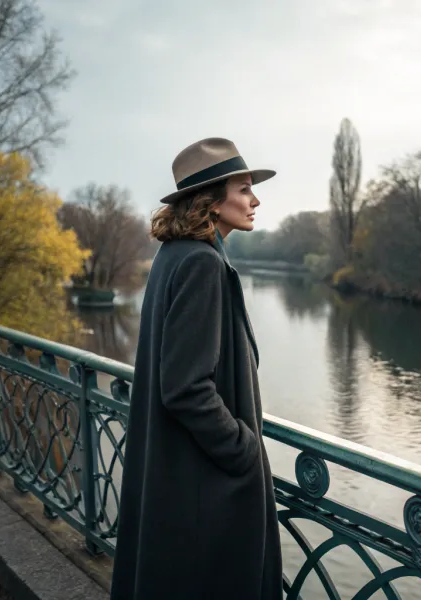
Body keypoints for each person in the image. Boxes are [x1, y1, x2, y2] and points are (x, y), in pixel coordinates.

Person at [109, 138, 282, 599]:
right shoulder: (203, 263)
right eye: (244, 189)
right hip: (202, 481)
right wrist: (243, 449)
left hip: (179, 474)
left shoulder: (174, 256)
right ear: (211, 200)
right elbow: (186, 386)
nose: (255, 200)